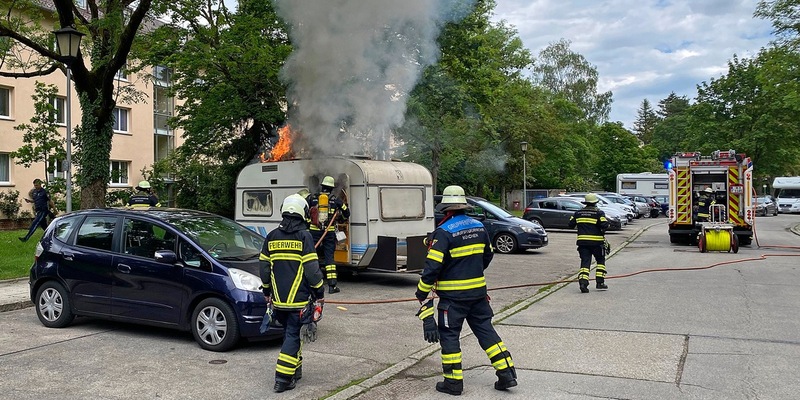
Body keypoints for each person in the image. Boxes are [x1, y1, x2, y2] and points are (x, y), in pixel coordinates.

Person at [415, 185, 517, 396]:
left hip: (452, 299)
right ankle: (507, 374)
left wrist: (421, 293)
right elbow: (487, 255)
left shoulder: (443, 232)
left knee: (449, 336)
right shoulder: (479, 227)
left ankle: (453, 384)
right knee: (486, 331)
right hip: (478, 294)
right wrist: (472, 272)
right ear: (463, 206)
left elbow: (432, 267)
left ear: (446, 209)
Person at [259, 194, 325, 393]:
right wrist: (320, 290)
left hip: (279, 301)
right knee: (293, 336)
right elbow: (312, 269)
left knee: (291, 334)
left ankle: (295, 371)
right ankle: (283, 379)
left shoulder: (271, 236)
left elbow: (263, 268)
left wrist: (267, 291)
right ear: (302, 212)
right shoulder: (304, 236)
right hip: (299, 300)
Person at [306, 176, 349, 294]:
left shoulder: (312, 198)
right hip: (328, 233)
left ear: (322, 186)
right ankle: (332, 286)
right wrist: (341, 217)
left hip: (314, 232)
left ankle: (312, 283)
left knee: (312, 257)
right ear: (331, 188)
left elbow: (305, 212)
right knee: (329, 258)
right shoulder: (336, 200)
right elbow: (347, 213)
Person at [567, 193, 610, 293]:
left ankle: (583, 283)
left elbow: (570, 225)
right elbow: (605, 225)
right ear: (595, 203)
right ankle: (600, 283)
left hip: (582, 243)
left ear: (585, 203)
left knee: (585, 262)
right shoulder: (599, 213)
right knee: (600, 261)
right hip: (597, 243)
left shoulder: (577, 213)